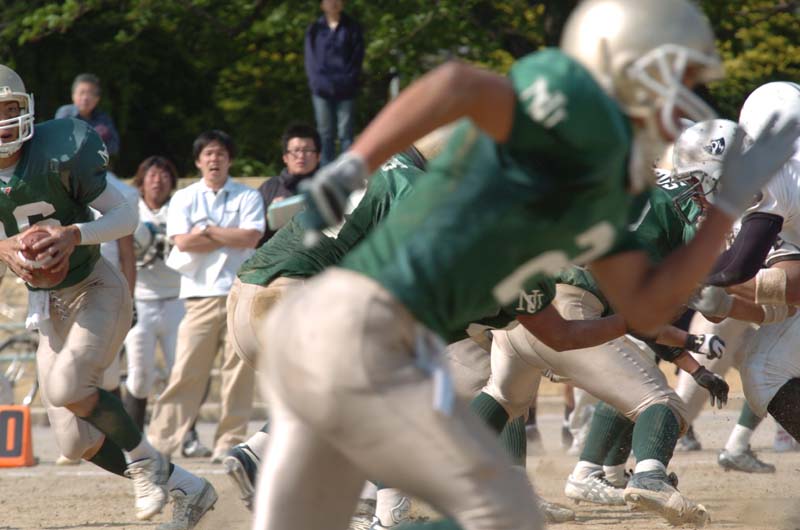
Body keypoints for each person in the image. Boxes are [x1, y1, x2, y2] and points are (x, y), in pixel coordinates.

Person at [255, 2, 799, 529]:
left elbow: (622, 310)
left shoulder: (610, 185)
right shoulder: (566, 112)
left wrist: (708, 259)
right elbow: (455, 84)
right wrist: (355, 162)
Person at [0, 64, 216, 530]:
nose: (2, 122)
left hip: (94, 288)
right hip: (48, 307)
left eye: (8, 109)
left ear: (26, 109)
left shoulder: (59, 153)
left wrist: (73, 233)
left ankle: (144, 462)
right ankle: (189, 486)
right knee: (73, 441)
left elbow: (126, 214)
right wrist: (5, 247)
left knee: (66, 388)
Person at [147, 129, 265, 464]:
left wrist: (208, 231)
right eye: (208, 154)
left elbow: (251, 237)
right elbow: (183, 242)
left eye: (221, 154)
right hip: (198, 295)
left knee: (238, 372)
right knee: (186, 371)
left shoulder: (247, 196)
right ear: (198, 161)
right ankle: (161, 441)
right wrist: (227, 235)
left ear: (230, 160)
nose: (215, 159)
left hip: (240, 293)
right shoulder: (184, 198)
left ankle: (229, 441)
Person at [123, 156, 183, 430]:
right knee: (139, 376)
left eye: (164, 175)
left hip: (176, 299)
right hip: (142, 301)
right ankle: (134, 437)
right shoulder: (130, 209)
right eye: (152, 175)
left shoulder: (180, 208)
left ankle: (187, 434)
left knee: (181, 373)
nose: (158, 181)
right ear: (141, 182)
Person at [305, 0, 364, 165]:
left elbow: (357, 58)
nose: (333, 3)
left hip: (346, 89)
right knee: (325, 133)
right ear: (322, 4)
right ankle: (326, 171)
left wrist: (349, 81)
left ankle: (347, 171)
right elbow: (310, 60)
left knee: (346, 133)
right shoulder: (314, 29)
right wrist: (317, 83)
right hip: (321, 90)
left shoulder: (352, 28)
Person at [257, 123, 321, 245]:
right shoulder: (269, 187)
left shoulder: (327, 187)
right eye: (296, 151)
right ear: (285, 157)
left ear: (318, 156)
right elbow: (251, 236)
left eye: (307, 150)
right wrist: (270, 218)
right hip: (277, 253)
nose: (301, 156)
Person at [55, 73, 120, 157]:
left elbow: (114, 146)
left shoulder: (103, 118)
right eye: (81, 93)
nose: (85, 98)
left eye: (90, 94)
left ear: (97, 98)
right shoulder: (65, 113)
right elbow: (60, 140)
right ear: (73, 95)